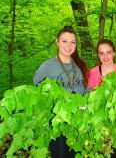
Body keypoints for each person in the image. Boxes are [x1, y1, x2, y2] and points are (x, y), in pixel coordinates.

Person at [33, 26, 89, 158]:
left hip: (77, 123)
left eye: (72, 42)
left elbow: (85, 91)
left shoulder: (79, 66)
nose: (68, 46)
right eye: (64, 41)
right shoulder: (46, 67)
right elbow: (37, 93)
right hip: (57, 124)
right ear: (57, 42)